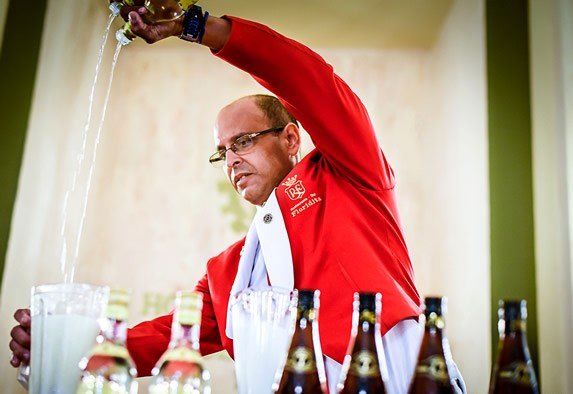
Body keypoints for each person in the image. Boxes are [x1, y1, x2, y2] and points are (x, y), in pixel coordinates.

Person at [10, 2, 466, 393]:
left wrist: (196, 26)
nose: (232, 161)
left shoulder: (351, 174)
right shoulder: (228, 274)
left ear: (291, 139)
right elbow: (168, 338)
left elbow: (307, 80)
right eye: (222, 152)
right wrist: (60, 345)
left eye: (243, 141)